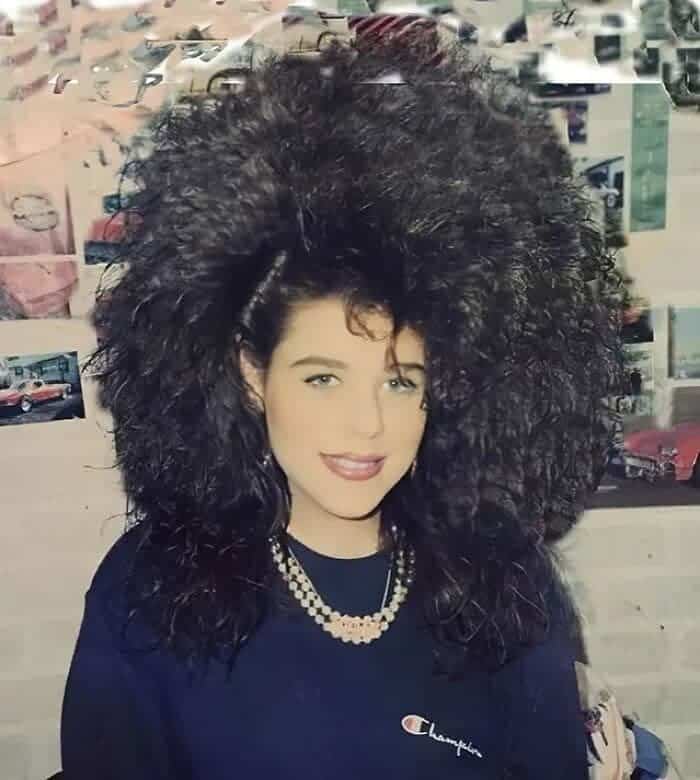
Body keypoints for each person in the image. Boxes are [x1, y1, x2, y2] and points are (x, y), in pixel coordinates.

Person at [60, 40, 628, 780]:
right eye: (323, 378)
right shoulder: (149, 586)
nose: (369, 425)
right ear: (252, 373)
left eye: (400, 382)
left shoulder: (501, 574)